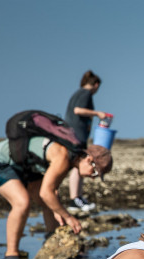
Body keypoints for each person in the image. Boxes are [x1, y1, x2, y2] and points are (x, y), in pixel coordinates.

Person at [0, 132, 112, 259]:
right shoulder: (63, 156)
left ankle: (51, 242)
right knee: (22, 203)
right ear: (89, 159)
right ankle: (11, 255)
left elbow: (52, 193)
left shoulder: (69, 158)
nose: (93, 177)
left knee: (51, 202)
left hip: (26, 166)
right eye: (95, 172)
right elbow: (45, 193)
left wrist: (57, 209)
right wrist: (68, 217)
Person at [64, 70, 111, 213]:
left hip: (75, 134)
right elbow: (78, 110)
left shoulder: (79, 93)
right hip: (76, 135)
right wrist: (97, 113)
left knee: (79, 165)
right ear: (96, 85)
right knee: (78, 165)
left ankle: (78, 197)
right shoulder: (85, 94)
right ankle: (74, 199)